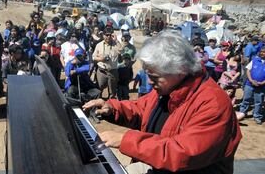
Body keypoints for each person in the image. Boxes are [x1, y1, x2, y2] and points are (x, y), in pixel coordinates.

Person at [83, 30, 241, 174]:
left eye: (154, 77)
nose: (150, 82)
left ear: (180, 70)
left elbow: (182, 153)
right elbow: (141, 109)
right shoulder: (169, 87)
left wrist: (126, 140)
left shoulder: (214, 104)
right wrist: (112, 108)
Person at [92, 27, 122, 98]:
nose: (108, 37)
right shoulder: (99, 45)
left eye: (110, 35)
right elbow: (93, 57)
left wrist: (117, 40)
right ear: (103, 35)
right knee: (99, 89)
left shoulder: (116, 44)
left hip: (113, 71)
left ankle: (110, 105)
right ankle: (98, 105)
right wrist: (100, 59)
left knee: (112, 92)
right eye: (106, 35)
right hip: (101, 71)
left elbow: (122, 51)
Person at [239, 47, 265, 125]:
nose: (263, 53)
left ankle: (257, 116)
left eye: (264, 52)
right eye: (262, 52)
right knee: (246, 99)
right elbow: (248, 70)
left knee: (259, 102)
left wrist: (263, 83)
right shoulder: (254, 60)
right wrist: (251, 80)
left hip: (261, 86)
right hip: (249, 84)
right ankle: (242, 114)